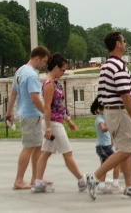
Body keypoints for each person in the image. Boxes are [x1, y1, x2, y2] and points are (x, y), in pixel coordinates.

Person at [84, 31, 131, 200]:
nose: (125, 43)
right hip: (120, 111)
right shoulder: (118, 66)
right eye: (124, 41)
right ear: (118, 44)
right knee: (126, 149)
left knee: (126, 149)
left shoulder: (106, 65)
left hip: (110, 111)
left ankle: (129, 187)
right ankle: (95, 177)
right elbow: (125, 95)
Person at [32, 53, 86, 193]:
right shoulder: (49, 84)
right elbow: (47, 107)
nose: (63, 72)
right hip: (53, 124)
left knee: (46, 152)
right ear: (56, 67)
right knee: (67, 152)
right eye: (62, 70)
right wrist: (49, 128)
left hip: (56, 121)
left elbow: (59, 105)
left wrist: (68, 120)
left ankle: (38, 182)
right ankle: (82, 180)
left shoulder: (55, 83)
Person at [5, 46, 50, 190]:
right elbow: (35, 98)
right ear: (37, 58)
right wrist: (47, 112)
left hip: (26, 114)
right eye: (43, 62)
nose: (43, 65)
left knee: (37, 146)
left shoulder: (20, 71)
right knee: (29, 147)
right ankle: (19, 181)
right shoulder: (31, 75)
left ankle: (36, 178)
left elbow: (13, 94)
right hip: (31, 115)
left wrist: (8, 112)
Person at [91, 98, 123, 194]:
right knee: (117, 162)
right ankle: (115, 184)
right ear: (100, 109)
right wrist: (110, 126)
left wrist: (111, 141)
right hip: (102, 147)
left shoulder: (104, 118)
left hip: (105, 146)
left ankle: (101, 186)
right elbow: (103, 129)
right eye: (106, 109)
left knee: (104, 166)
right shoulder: (100, 119)